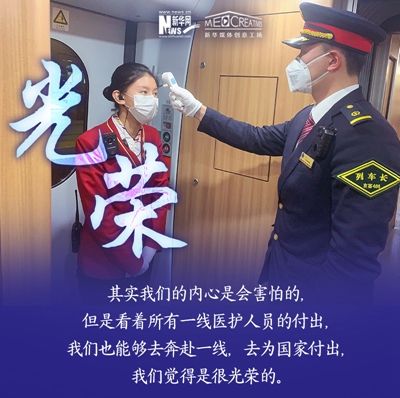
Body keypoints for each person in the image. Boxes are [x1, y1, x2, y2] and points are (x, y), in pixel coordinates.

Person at [168, 3, 400, 306]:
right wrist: (197, 109)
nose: (296, 62)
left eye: (303, 53)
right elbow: (257, 137)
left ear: (332, 61)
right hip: (283, 274)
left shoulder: (368, 134)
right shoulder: (310, 116)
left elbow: (353, 257)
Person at [75, 62, 169, 303]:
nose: (152, 100)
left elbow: (160, 192)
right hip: (103, 261)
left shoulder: (152, 136)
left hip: (144, 250)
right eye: (144, 92)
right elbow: (97, 212)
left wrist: (150, 248)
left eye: (155, 93)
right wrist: (132, 262)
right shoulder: (90, 142)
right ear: (119, 97)